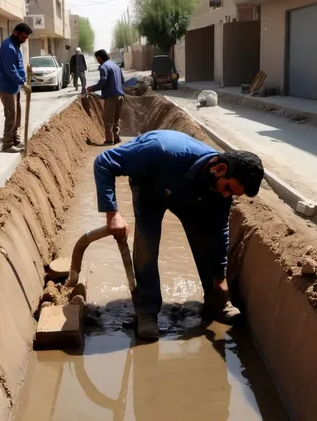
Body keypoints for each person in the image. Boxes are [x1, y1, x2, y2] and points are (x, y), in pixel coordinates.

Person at [93, 130, 264, 340]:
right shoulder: (160, 149)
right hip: (150, 188)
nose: (226, 195)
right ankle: (146, 311)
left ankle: (215, 301)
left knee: (206, 240)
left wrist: (220, 276)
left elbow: (219, 230)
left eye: (232, 193)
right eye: (228, 188)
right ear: (219, 169)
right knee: (147, 244)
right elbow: (104, 161)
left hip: (193, 196)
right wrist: (112, 214)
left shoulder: (218, 191)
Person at [0, 22, 32, 153]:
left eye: (26, 38)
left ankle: (15, 139)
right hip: (7, 86)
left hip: (15, 86)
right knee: (11, 115)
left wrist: (25, 74)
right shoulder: (8, 46)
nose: (24, 40)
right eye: (23, 37)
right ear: (15, 33)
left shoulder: (16, 46)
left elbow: (18, 65)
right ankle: (7, 144)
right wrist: (22, 83)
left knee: (17, 114)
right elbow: (10, 69)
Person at [87, 49, 125, 145]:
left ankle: (109, 140)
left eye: (97, 58)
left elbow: (103, 82)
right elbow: (122, 80)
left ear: (99, 58)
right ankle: (116, 138)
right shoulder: (115, 66)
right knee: (116, 119)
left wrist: (91, 88)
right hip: (120, 96)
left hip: (111, 97)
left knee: (108, 120)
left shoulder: (104, 67)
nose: (97, 60)